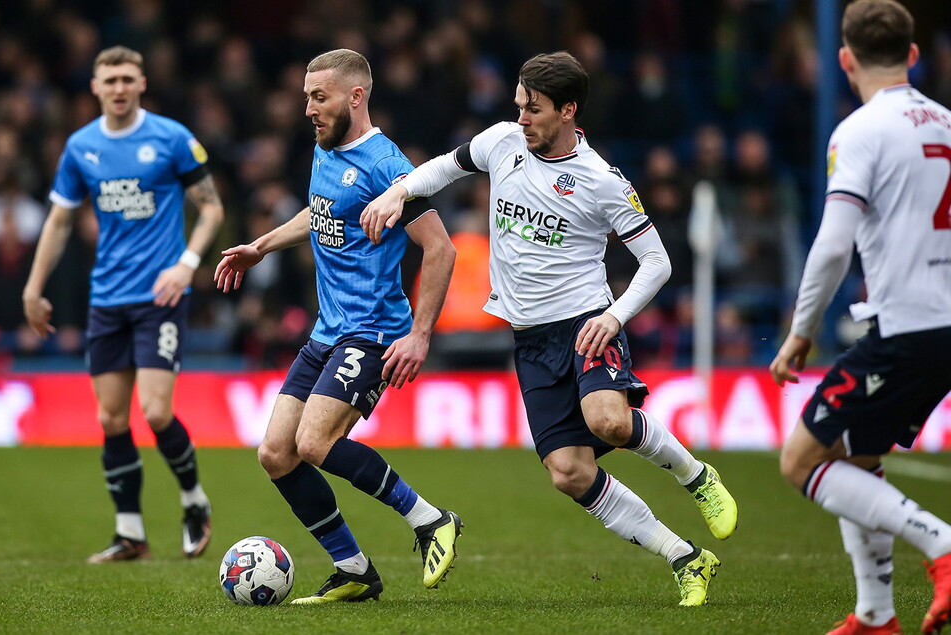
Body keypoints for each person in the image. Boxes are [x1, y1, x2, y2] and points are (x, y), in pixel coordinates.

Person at [361, 51, 738, 607]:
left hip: (587, 323)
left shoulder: (602, 181)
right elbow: (444, 167)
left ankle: (695, 477)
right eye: (517, 106)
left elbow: (657, 263)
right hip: (530, 338)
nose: (521, 118)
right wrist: (399, 193)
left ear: (568, 111)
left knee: (607, 420)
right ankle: (686, 557)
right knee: (568, 473)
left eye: (532, 109)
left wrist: (613, 317)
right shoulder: (501, 143)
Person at [214, 49, 461, 604]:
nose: (308, 109)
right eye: (306, 97)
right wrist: (261, 245)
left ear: (356, 96)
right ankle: (354, 570)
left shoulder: (391, 169)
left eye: (318, 97)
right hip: (327, 332)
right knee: (276, 453)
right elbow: (319, 211)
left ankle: (430, 519)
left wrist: (419, 335)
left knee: (315, 442)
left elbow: (440, 250)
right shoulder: (325, 150)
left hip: (373, 332)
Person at [769, 2, 951, 633]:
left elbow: (833, 242)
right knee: (857, 455)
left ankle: (942, 545)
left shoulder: (861, 131)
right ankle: (876, 615)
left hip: (906, 328)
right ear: (914, 54)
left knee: (800, 461)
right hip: (941, 326)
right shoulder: (948, 124)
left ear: (844, 59)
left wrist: (800, 331)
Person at [22, 46, 225, 563]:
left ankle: (193, 501)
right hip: (107, 299)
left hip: (159, 296)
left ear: (141, 84)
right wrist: (33, 286)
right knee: (111, 419)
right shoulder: (80, 147)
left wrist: (187, 262)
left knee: (156, 412)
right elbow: (60, 220)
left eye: (127, 78)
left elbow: (211, 208)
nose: (118, 87)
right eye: (109, 79)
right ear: (94, 87)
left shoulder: (172, 138)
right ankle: (130, 533)